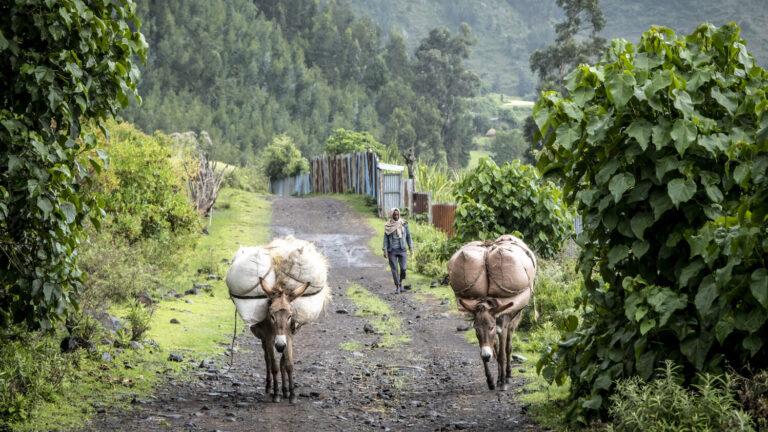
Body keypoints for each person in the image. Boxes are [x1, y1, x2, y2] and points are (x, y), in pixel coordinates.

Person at [382, 208, 413, 294]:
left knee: (403, 268)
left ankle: (400, 282)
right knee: (394, 269)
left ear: (399, 214)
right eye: (394, 215)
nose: (396, 216)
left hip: (402, 249)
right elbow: (385, 239)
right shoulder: (388, 225)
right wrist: (385, 250)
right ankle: (398, 286)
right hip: (392, 251)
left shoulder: (403, 223)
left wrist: (411, 246)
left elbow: (408, 236)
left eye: (397, 215)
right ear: (392, 215)